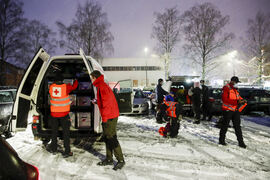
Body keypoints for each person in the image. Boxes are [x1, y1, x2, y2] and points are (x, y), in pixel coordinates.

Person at [90, 70, 125, 170]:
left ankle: (120, 160)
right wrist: (96, 101)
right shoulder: (101, 85)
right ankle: (109, 159)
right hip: (110, 114)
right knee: (107, 137)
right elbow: (103, 101)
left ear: (96, 77)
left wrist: (104, 118)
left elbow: (106, 104)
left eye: (92, 77)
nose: (91, 79)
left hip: (110, 116)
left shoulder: (102, 87)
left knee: (111, 138)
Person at [47, 72, 78, 158]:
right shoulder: (66, 87)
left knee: (54, 132)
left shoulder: (51, 87)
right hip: (64, 114)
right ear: (62, 80)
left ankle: (54, 149)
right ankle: (67, 151)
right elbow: (74, 87)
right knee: (66, 133)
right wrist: (76, 80)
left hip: (54, 114)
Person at [219, 76, 247, 148]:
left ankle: (241, 142)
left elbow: (238, 97)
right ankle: (221, 140)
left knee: (237, 126)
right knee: (225, 126)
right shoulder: (226, 88)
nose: (237, 84)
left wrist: (242, 100)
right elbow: (225, 99)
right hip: (227, 110)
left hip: (235, 110)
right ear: (232, 81)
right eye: (236, 82)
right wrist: (237, 101)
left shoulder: (235, 89)